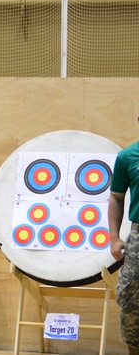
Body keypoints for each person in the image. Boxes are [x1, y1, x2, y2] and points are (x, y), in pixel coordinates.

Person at [111, 136, 139, 355]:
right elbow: (116, 196)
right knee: (131, 298)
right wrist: (114, 236)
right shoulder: (127, 156)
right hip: (138, 237)